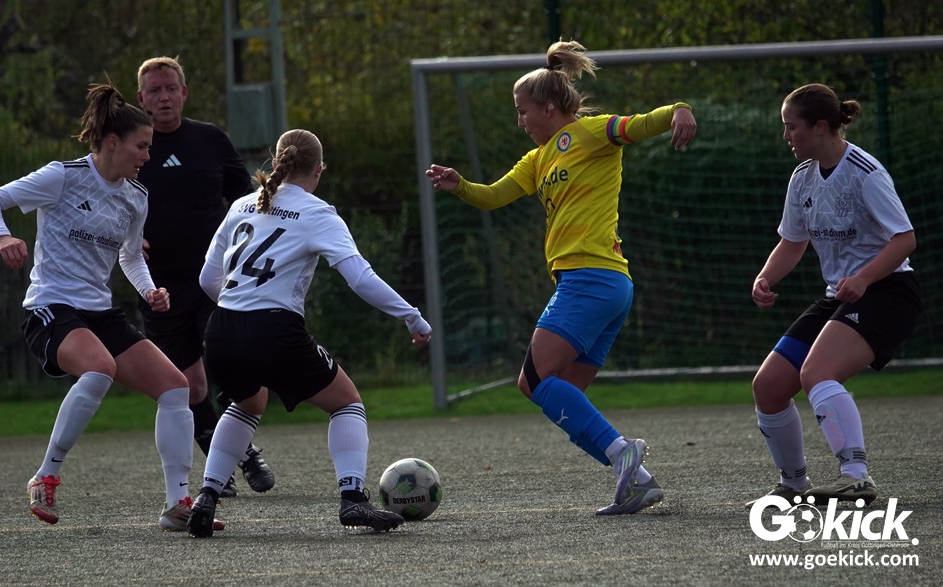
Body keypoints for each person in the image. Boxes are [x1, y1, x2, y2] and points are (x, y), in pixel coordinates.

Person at [425, 40, 696, 515]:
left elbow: (638, 125)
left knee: (533, 382)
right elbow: (494, 195)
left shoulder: (591, 133)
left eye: (522, 111)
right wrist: (460, 185)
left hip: (590, 279)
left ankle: (623, 454)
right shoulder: (538, 160)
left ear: (548, 108)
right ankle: (636, 481)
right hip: (605, 285)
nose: (520, 121)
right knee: (563, 395)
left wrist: (679, 109)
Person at [0, 83, 223, 532]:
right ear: (112, 142)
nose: (147, 155)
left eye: (149, 147)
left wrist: (150, 290)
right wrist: (3, 236)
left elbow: (130, 256)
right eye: (141, 146)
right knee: (99, 367)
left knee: (176, 387)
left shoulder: (135, 196)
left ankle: (177, 504)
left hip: (99, 313)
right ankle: (46, 475)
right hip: (51, 307)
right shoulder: (63, 176)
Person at [185, 129, 432, 537]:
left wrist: (240, 309)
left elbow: (207, 279)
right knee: (347, 403)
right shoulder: (318, 213)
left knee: (247, 404)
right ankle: (353, 500)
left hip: (221, 329)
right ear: (319, 170)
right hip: (272, 329)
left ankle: (206, 498)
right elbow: (360, 277)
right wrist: (412, 317)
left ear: (276, 162)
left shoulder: (243, 204)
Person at [745, 83, 920, 508]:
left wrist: (863, 278)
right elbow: (793, 242)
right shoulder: (802, 177)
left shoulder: (864, 171)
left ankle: (856, 477)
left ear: (820, 127)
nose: (786, 135)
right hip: (841, 294)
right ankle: (793, 484)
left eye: (792, 127)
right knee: (768, 386)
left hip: (887, 291)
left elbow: (905, 239)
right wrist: (765, 277)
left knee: (817, 373)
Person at [135, 56, 274, 497]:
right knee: (189, 385)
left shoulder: (209, 139)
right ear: (141, 98)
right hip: (159, 286)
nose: (163, 97)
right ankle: (230, 462)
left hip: (217, 278)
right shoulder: (132, 146)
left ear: (184, 93)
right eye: (154, 90)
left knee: (233, 363)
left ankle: (237, 452)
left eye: (170, 88)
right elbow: (105, 197)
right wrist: (125, 236)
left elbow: (248, 198)